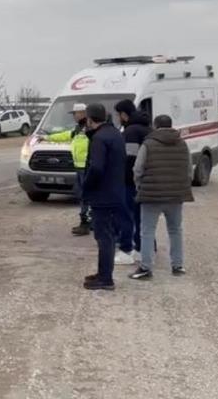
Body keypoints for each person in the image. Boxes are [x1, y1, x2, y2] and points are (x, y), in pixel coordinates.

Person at [129, 115, 194, 280]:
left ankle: (146, 267)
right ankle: (177, 266)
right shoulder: (182, 144)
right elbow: (188, 170)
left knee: (147, 232)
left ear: (155, 126)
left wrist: (140, 187)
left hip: (151, 196)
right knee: (175, 230)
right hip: (175, 196)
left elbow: (137, 169)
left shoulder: (148, 144)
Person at [82, 103, 127, 291]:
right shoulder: (116, 134)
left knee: (104, 237)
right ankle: (103, 273)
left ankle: (106, 278)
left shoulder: (99, 139)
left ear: (90, 119)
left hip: (103, 195)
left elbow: (97, 167)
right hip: (116, 192)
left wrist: (87, 185)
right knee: (107, 235)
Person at [42, 103, 91, 235]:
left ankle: (86, 223)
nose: (74, 116)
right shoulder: (78, 129)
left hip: (87, 167)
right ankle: (87, 222)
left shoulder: (90, 128)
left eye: (75, 114)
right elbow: (65, 135)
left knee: (86, 196)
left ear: (82, 113)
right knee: (82, 195)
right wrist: (47, 138)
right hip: (80, 167)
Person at [114, 99, 151, 266]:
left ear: (124, 114)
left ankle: (126, 249)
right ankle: (143, 248)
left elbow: (131, 159)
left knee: (126, 215)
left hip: (130, 182)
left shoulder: (131, 132)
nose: (118, 118)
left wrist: (122, 177)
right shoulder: (147, 128)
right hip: (147, 180)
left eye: (119, 114)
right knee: (141, 216)